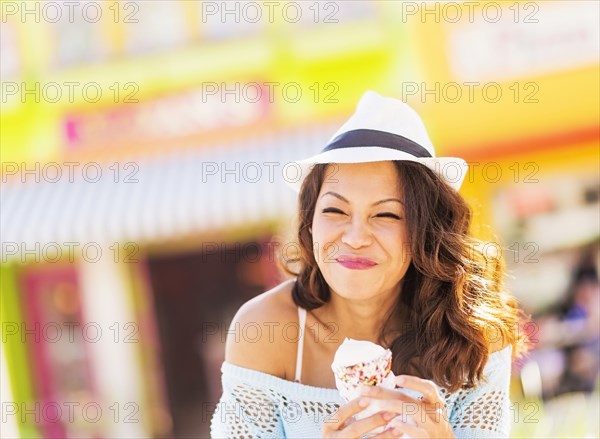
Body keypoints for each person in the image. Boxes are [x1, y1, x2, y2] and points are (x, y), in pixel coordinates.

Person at [210, 91, 530, 438]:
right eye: (335, 210)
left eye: (386, 214)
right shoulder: (265, 332)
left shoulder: (472, 336)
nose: (355, 237)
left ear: (426, 231)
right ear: (310, 221)